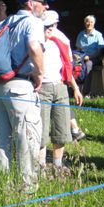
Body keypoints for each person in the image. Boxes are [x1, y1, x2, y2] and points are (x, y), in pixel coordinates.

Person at [0, 0, 50, 194]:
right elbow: (34, 47)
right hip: (20, 87)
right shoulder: (32, 22)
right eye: (42, 2)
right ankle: (27, 189)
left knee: (3, 139)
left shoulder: (6, 22)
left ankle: (4, 187)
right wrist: (40, 73)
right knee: (27, 137)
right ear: (30, 3)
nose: (46, 6)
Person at [38, 11, 84, 170]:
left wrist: (75, 88)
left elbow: (66, 68)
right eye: (48, 26)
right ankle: (41, 167)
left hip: (60, 87)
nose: (51, 29)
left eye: (53, 25)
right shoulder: (35, 42)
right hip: (41, 88)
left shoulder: (61, 41)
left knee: (62, 129)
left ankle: (58, 166)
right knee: (41, 131)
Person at [75, 14, 104, 95]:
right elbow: (78, 49)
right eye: (87, 22)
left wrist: (89, 57)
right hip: (82, 57)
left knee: (88, 64)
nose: (89, 24)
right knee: (75, 64)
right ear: (85, 23)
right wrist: (77, 58)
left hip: (94, 58)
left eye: (91, 22)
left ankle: (86, 92)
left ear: (94, 23)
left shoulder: (98, 35)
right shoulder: (81, 34)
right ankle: (75, 89)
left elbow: (99, 51)